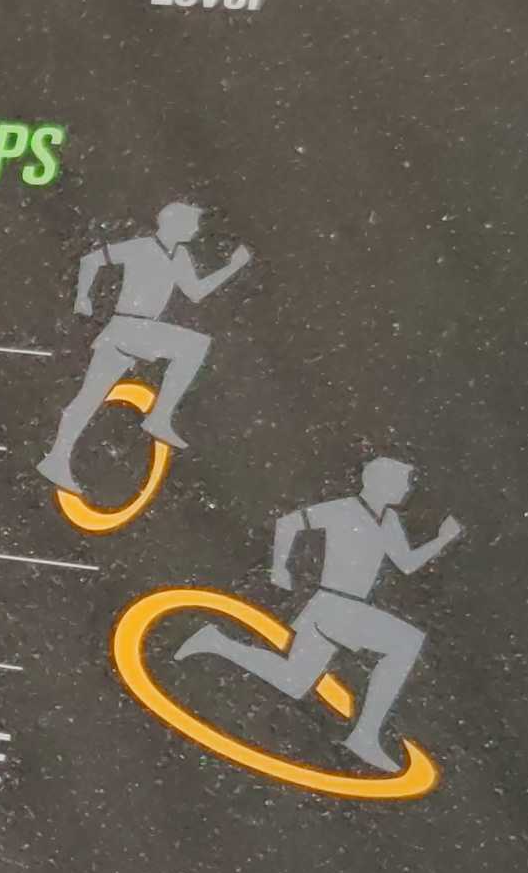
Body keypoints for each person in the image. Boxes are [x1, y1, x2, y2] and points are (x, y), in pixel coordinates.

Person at [180, 455, 462, 773]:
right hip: (335, 607)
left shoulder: (389, 521)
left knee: (293, 679)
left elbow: (406, 563)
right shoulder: (344, 510)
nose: (407, 488)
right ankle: (365, 735)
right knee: (406, 642)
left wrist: (442, 539)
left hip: (341, 609)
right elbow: (290, 523)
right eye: (401, 481)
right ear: (380, 483)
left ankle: (216, 642)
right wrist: (279, 568)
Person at [37, 203, 249, 491]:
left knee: (90, 396)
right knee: (192, 346)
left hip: (140, 331)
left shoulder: (179, 255)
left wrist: (233, 267)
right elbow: (91, 260)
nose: (196, 230)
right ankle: (155, 418)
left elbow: (195, 293)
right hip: (128, 327)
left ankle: (59, 458)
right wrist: (82, 298)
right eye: (192, 223)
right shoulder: (141, 247)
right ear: (173, 223)